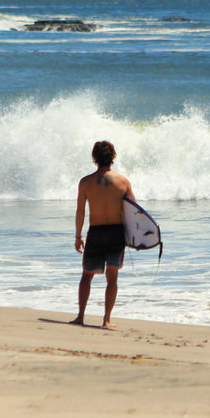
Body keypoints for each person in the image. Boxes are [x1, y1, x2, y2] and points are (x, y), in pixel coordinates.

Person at [73, 140, 134, 328]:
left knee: (87, 275)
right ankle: (106, 319)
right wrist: (135, 239)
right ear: (112, 157)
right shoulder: (123, 181)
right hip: (116, 233)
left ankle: (80, 316)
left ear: (95, 158)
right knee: (112, 278)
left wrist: (78, 236)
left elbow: (80, 212)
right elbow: (134, 212)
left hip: (96, 233)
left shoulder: (85, 182)